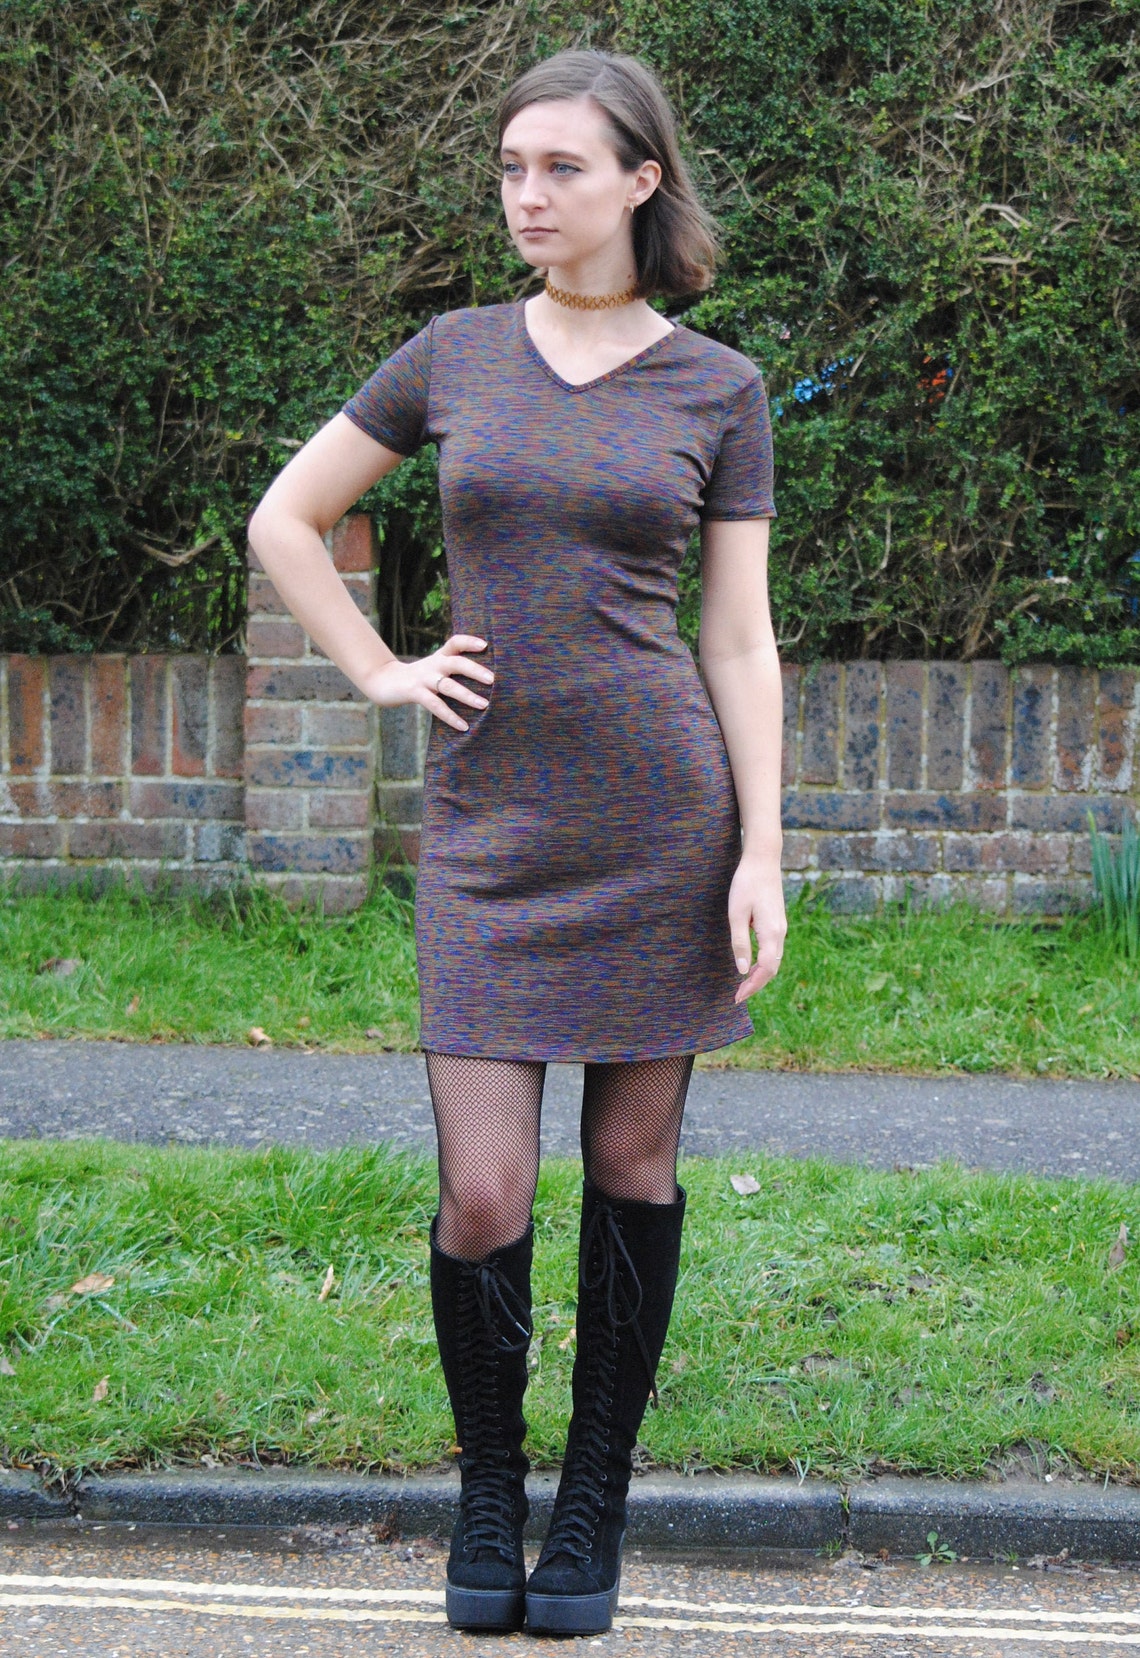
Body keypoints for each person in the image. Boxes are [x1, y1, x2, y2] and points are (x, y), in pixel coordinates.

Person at [247, 46, 785, 1639]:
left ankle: (591, 1503)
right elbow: (287, 517)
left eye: (561, 168)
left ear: (641, 180)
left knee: (631, 1165)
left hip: (661, 816)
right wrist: (378, 668)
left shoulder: (719, 388)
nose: (527, 196)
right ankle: (491, 1489)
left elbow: (738, 638)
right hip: (490, 830)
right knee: (482, 1191)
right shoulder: (455, 355)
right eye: (509, 168)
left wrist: (763, 848)